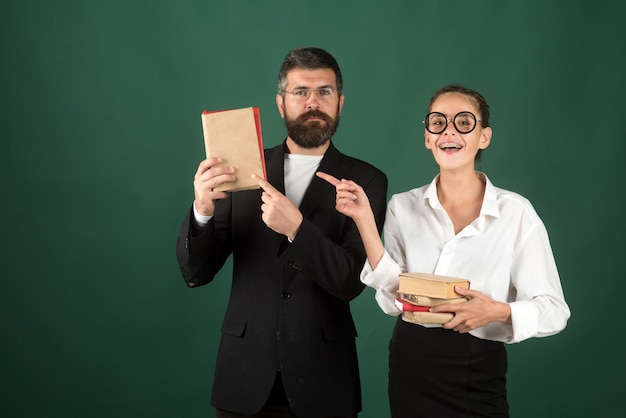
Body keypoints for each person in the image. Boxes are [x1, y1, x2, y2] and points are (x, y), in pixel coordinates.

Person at [317, 84, 570, 418]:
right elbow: (393, 295)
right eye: (438, 122)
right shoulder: (402, 206)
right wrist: (364, 219)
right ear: (427, 137)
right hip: (411, 361)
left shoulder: (516, 212)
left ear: (484, 137)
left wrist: (497, 312)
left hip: (478, 366)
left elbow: (554, 310)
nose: (449, 131)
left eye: (464, 122)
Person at [175, 47, 388, 418]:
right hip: (242, 378)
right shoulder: (241, 168)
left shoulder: (366, 180)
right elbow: (196, 272)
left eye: (325, 91)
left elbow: (350, 282)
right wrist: (202, 210)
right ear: (280, 103)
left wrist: (298, 230)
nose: (313, 102)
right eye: (300, 92)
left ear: (340, 101)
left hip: (324, 382)